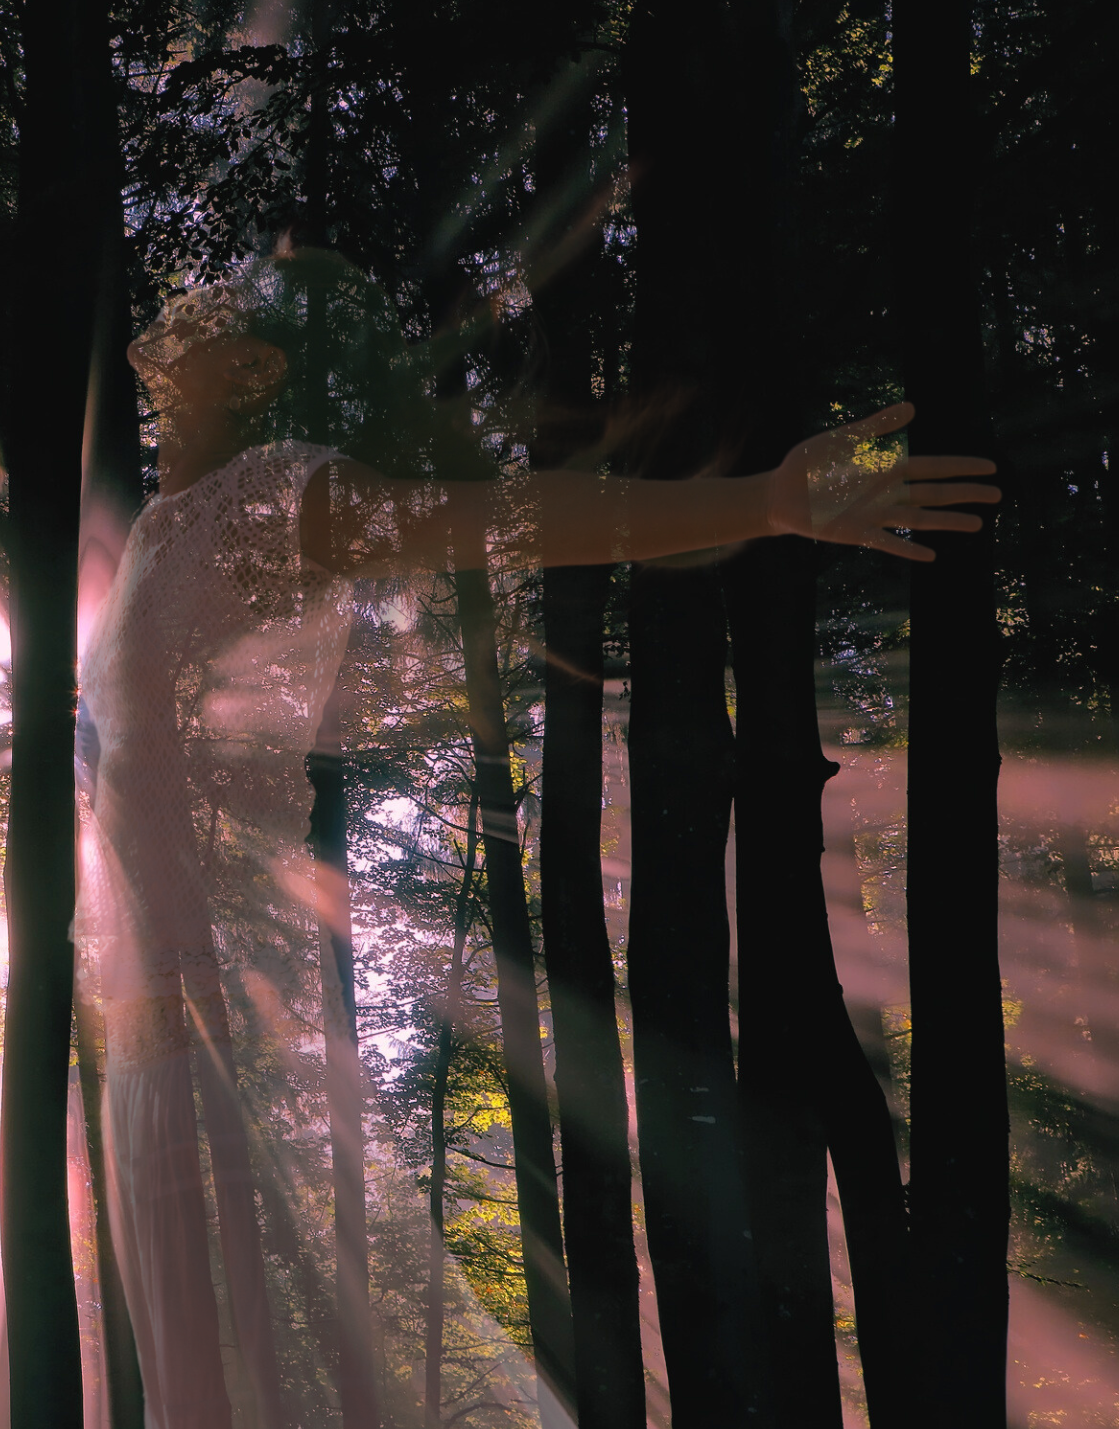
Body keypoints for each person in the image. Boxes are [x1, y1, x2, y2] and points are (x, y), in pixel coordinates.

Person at [72, 249, 997, 1429]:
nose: (163, 333)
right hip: (144, 1045)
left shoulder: (267, 497)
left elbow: (496, 520)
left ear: (251, 370)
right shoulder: (149, 541)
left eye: (203, 329)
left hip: (226, 1038)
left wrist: (756, 502)